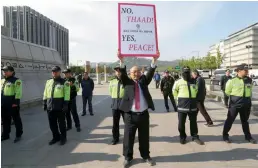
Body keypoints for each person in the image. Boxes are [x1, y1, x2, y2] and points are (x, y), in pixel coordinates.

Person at [118, 53, 159, 168]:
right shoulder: (127, 82)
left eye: (138, 71)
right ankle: (128, 157)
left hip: (143, 115)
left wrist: (154, 61)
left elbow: (150, 73)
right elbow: (122, 74)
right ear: (130, 74)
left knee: (144, 137)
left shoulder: (143, 81)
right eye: (134, 72)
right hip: (130, 116)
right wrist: (121, 61)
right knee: (128, 138)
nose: (136, 73)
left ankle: (146, 156)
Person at [222, 64, 256, 144]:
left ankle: (248, 136)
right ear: (239, 71)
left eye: (247, 70)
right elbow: (227, 92)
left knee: (245, 121)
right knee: (230, 120)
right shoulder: (232, 80)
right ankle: (225, 135)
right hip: (235, 104)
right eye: (245, 70)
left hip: (246, 104)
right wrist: (234, 99)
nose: (247, 72)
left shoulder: (249, 80)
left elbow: (250, 91)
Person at [173, 66, 204, 145]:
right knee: (181, 124)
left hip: (192, 106)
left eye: (187, 72)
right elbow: (174, 91)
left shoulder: (194, 81)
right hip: (182, 106)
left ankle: (195, 137)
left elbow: (196, 90)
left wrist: (194, 100)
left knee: (193, 123)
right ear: (182, 73)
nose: (186, 74)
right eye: (185, 73)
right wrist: (178, 100)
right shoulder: (178, 82)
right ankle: (182, 137)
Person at [43, 66, 70, 145]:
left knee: (61, 124)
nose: (54, 73)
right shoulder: (48, 81)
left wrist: (65, 105)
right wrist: (44, 103)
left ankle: (63, 138)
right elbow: (45, 92)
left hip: (60, 106)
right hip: (50, 106)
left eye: (56, 71)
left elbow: (67, 94)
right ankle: (56, 137)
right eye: (53, 71)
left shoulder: (64, 82)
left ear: (59, 72)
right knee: (52, 124)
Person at [1, 66, 23, 143]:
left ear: (12, 72)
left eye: (6, 71)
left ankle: (18, 134)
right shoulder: (2, 81)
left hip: (12, 102)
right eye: (3, 71)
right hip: (3, 103)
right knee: (5, 120)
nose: (4, 72)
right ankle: (5, 135)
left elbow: (18, 92)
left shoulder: (16, 81)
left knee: (16, 119)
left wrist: (16, 103)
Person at [109, 65, 125, 145]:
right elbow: (110, 91)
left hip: (124, 104)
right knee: (115, 123)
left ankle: (128, 137)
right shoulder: (112, 81)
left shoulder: (126, 81)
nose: (118, 73)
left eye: (119, 71)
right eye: (117, 71)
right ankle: (115, 138)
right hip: (115, 104)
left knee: (127, 122)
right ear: (115, 72)